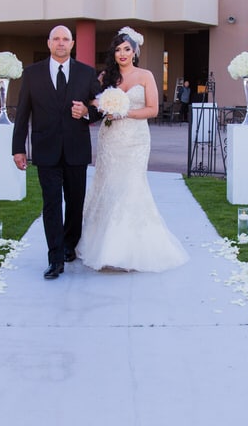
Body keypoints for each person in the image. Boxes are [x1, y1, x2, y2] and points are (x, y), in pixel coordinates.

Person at [76, 28, 189, 272]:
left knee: (131, 186)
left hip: (136, 140)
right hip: (110, 139)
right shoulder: (106, 77)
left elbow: (152, 109)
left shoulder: (145, 75)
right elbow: (93, 101)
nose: (122, 53)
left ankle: (128, 249)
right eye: (117, 50)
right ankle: (103, 245)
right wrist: (102, 105)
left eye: (127, 49)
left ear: (135, 51)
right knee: (108, 185)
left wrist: (123, 111)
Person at [12, 25, 102, 280]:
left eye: (66, 39)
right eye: (56, 39)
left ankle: (69, 245)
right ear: (49, 43)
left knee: (75, 203)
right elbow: (22, 113)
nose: (61, 43)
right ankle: (55, 259)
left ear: (72, 44)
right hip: (46, 150)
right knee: (51, 204)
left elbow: (100, 106)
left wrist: (86, 112)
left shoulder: (86, 73)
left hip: (76, 149)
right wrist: (18, 148)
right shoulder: (31, 74)